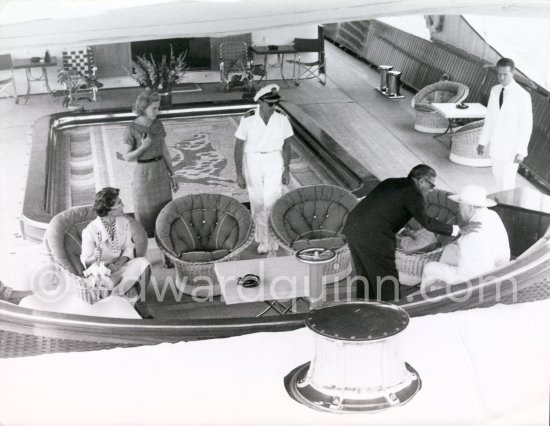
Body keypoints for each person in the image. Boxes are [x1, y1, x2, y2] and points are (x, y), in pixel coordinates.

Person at [342, 164, 480, 302]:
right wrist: (457, 229)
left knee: (364, 272)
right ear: (422, 181)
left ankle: (364, 305)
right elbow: (427, 222)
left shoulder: (391, 182)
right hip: (372, 234)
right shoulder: (414, 192)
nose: (431, 190)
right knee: (386, 275)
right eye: (431, 186)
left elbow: (380, 208)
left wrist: (402, 229)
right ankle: (393, 311)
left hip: (353, 227)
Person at [234, 84, 293, 254]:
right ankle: (262, 239)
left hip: (274, 160)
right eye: (270, 104)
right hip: (252, 161)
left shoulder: (282, 119)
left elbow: (288, 144)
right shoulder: (248, 118)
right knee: (258, 203)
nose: (274, 107)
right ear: (260, 102)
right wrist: (239, 173)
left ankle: (272, 240)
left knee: (272, 202)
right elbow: (238, 145)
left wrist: (286, 168)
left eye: (276, 103)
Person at [80, 187, 153, 319]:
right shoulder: (90, 230)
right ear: (109, 210)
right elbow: (85, 259)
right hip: (101, 272)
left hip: (120, 266)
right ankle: (120, 303)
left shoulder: (123, 222)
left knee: (144, 263)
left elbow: (129, 248)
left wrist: (119, 263)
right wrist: (97, 257)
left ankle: (140, 302)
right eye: (119, 203)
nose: (123, 205)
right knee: (111, 283)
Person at [421, 184, 510, 291]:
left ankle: (428, 299)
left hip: (478, 280)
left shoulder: (472, 234)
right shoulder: (492, 214)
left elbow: (467, 275)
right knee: (450, 249)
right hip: (499, 267)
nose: (458, 209)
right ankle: (439, 288)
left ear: (470, 208)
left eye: (461, 205)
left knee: (429, 268)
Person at [120, 90, 179, 239]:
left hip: (161, 171)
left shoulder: (158, 124)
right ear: (143, 108)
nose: (157, 111)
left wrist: (173, 174)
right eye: (154, 108)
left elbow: (164, 150)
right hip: (144, 174)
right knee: (146, 215)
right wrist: (143, 147)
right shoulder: (131, 129)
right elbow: (126, 157)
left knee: (165, 213)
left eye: (158, 108)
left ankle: (166, 249)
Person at [477, 57, 533, 192]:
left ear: (513, 73)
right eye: (499, 74)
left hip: (512, 149)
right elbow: (489, 118)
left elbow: (526, 126)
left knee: (507, 183)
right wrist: (483, 141)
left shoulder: (522, 95)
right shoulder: (495, 90)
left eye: (505, 74)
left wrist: (521, 151)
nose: (501, 78)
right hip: (496, 146)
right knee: (497, 178)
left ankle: (507, 207)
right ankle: (500, 204)